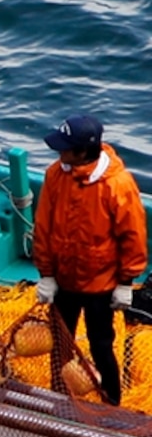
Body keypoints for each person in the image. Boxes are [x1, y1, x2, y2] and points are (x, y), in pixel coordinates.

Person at [30, 113, 144, 400]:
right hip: (63, 281)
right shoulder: (55, 174)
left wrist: (125, 283)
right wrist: (46, 275)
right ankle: (59, 395)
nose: (60, 153)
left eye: (66, 148)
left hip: (101, 286)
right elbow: (43, 227)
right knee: (60, 342)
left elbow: (133, 237)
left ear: (83, 152)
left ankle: (111, 403)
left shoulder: (118, 185)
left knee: (101, 345)